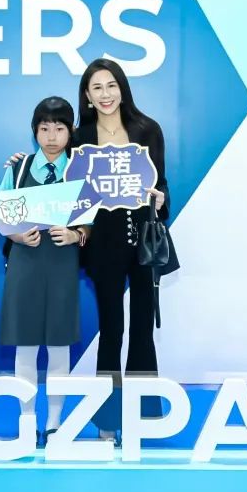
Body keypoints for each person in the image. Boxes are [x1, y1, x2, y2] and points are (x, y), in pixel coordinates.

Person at [74, 58, 175, 443]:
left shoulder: (147, 129)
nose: (106, 94)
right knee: (111, 329)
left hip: (142, 238)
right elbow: (69, 191)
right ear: (87, 95)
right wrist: (20, 164)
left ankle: (143, 418)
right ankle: (107, 421)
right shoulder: (81, 137)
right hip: (103, 242)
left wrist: (159, 199)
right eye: (97, 87)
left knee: (143, 330)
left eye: (111, 85)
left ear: (123, 88)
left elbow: (161, 187)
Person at [0, 96, 90, 447]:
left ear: (71, 131)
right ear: (35, 132)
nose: (52, 136)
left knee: (59, 344)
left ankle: (53, 423)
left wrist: (77, 234)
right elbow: (0, 214)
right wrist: (17, 235)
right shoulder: (18, 169)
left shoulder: (81, 169)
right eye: (44, 129)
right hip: (26, 262)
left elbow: (92, 219)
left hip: (62, 264)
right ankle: (26, 421)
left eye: (59, 128)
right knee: (26, 344)